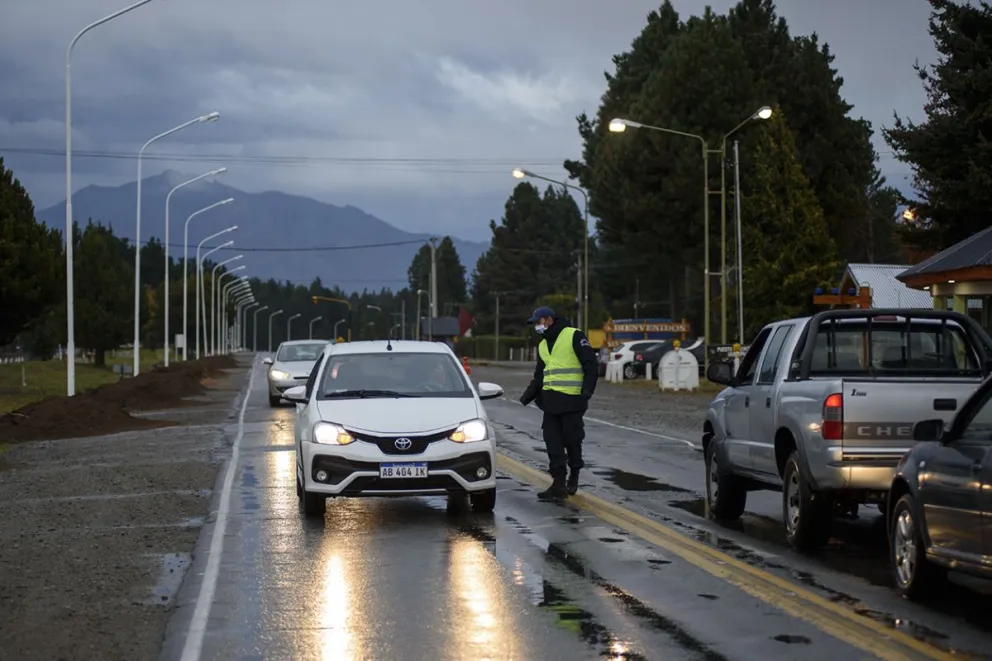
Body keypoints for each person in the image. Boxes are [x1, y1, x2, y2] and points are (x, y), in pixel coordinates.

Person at [519, 306, 598, 500]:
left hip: (573, 401)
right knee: (552, 442)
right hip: (551, 402)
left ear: (548, 320)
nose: (537, 326)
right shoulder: (543, 345)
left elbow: (591, 365)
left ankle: (574, 474)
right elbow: (540, 375)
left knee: (572, 440)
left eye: (538, 322)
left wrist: (587, 391)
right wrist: (527, 396)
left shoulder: (573, 335)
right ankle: (558, 483)